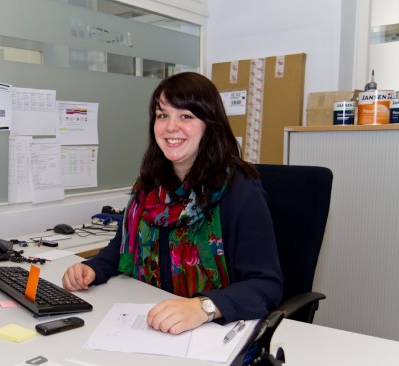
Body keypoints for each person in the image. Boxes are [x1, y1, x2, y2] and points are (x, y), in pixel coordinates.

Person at [62, 72, 283, 335]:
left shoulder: (239, 190)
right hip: (150, 322)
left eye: (186, 116)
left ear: (209, 124)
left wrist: (203, 307)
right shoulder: (149, 187)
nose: (170, 127)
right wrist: (92, 268)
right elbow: (121, 247)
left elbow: (265, 284)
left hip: (214, 329)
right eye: (162, 115)